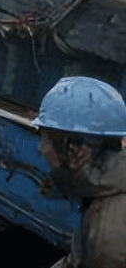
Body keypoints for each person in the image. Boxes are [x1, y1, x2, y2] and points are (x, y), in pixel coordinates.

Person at [32, 76, 126, 268]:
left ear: (76, 151)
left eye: (46, 141)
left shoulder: (108, 236)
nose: (41, 149)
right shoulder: (104, 190)